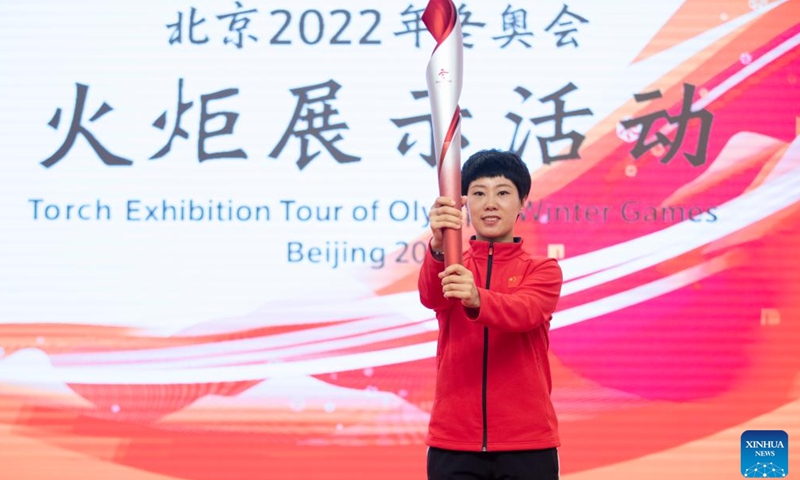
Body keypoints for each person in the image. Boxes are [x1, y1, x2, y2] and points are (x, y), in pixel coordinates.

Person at [418, 149, 563, 480]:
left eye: (502, 193)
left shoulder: (542, 270)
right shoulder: (453, 264)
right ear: (465, 203)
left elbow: (523, 312)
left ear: (522, 201)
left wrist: (475, 298)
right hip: (454, 442)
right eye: (479, 194)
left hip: (527, 443)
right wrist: (439, 246)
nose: (491, 203)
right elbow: (430, 297)